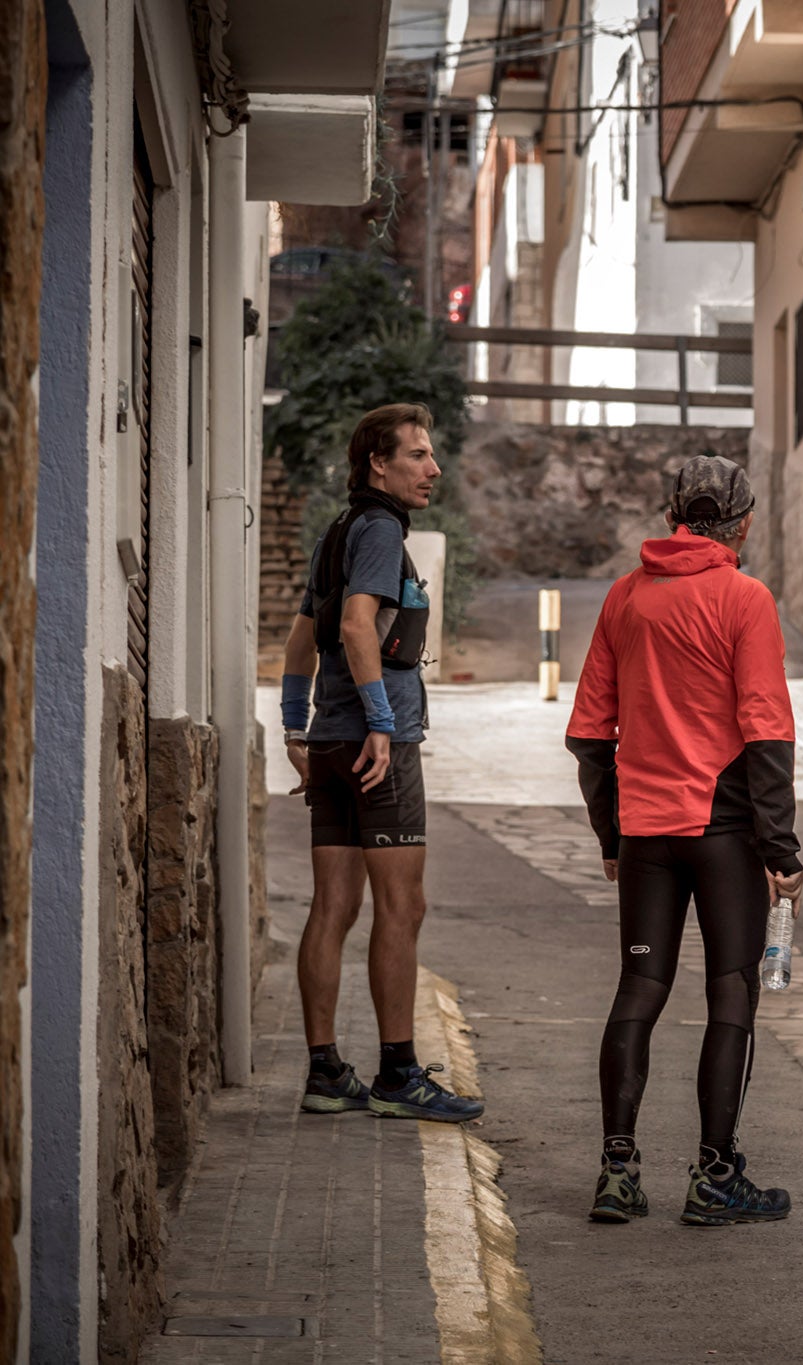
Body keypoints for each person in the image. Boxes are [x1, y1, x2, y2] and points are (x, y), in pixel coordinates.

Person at [567, 453, 803, 1227]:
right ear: (741, 522)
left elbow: (588, 734)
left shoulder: (625, 598)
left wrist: (613, 831)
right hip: (723, 831)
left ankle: (617, 1171)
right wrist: (781, 849)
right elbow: (766, 728)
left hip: (645, 832)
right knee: (730, 990)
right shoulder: (745, 598)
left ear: (674, 514)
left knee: (638, 988)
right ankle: (714, 1175)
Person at [280, 402, 482, 1123]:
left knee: (333, 905)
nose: (431, 468)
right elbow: (360, 624)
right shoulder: (377, 529)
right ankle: (398, 1072)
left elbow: (303, 637)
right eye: (418, 455)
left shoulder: (336, 533)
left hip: (331, 742)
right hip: (373, 747)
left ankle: (325, 1070)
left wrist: (292, 727)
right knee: (404, 904)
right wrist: (383, 724)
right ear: (378, 463)